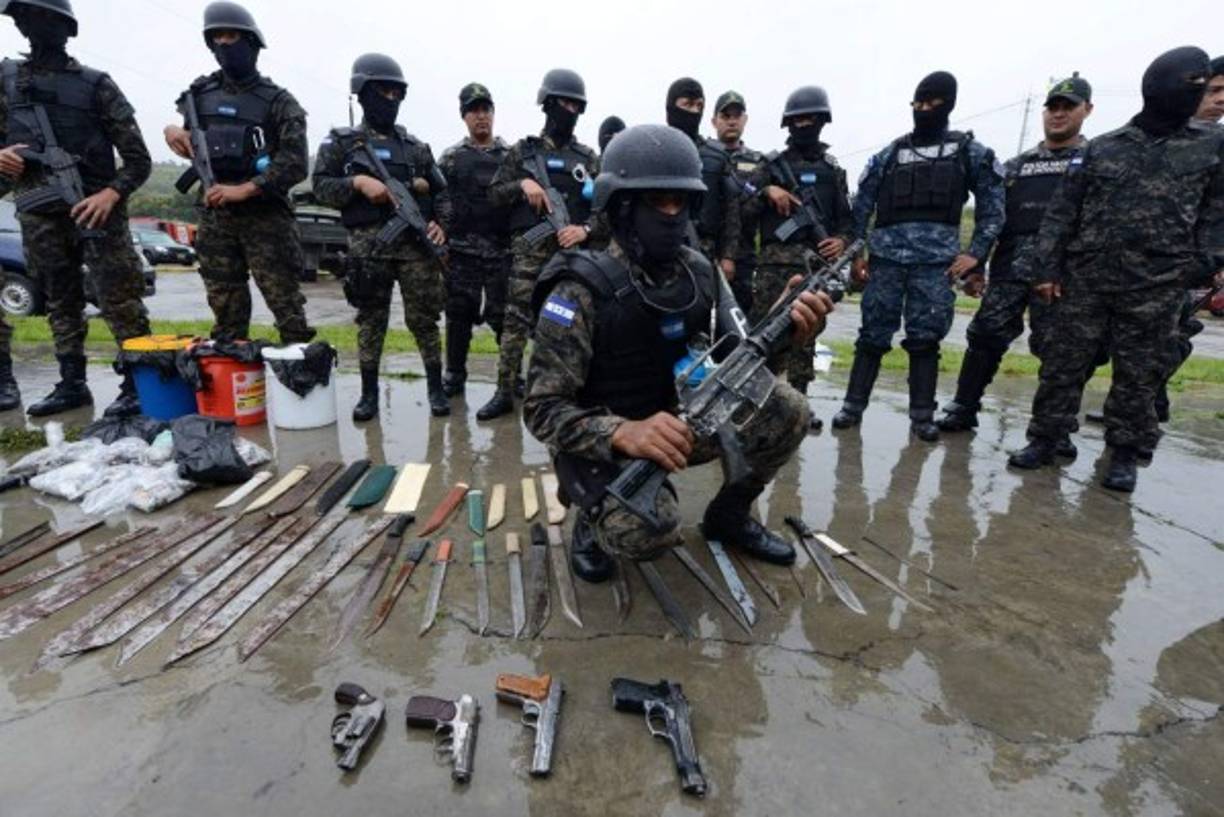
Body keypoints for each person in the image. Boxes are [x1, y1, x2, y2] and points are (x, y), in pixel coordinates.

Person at [523, 124, 833, 581]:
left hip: (679, 422)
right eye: (658, 201)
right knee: (648, 530)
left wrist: (787, 331)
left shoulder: (699, 272)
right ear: (623, 206)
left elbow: (742, 368)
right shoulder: (579, 289)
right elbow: (542, 409)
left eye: (681, 202)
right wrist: (622, 433)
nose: (672, 215)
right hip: (597, 440)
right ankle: (590, 519)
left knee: (788, 410)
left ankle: (728, 515)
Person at [1009, 47, 1224, 493]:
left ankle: (1124, 453)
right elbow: (1061, 214)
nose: (1200, 93)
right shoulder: (1103, 148)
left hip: (1159, 283)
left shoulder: (1211, 149)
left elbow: (1217, 216)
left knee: (1140, 373)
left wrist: (1198, 265)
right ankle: (1046, 439)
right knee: (1062, 365)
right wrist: (1046, 270)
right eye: (1191, 84)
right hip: (1088, 278)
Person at [832, 71, 1005, 441]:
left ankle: (922, 416)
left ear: (948, 106)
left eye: (933, 104)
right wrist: (856, 252)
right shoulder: (890, 154)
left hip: (934, 265)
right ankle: (852, 407)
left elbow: (993, 208)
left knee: (925, 339)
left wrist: (975, 255)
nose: (924, 110)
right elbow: (860, 207)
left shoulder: (968, 153)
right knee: (872, 336)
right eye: (918, 104)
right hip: (886, 263)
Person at [0, 0, 153, 418]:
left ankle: (138, 384)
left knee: (120, 299)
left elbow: (139, 160)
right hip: (38, 214)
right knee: (59, 299)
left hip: (97, 211)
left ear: (64, 27)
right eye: (24, 18)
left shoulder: (96, 85)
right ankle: (72, 384)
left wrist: (110, 194)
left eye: (42, 17)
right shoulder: (6, 80)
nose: (32, 25)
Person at [937, 74, 1094, 455]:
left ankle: (1054, 430)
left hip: (1062, 275)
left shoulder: (1094, 160)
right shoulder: (1016, 167)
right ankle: (964, 407)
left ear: (1086, 111)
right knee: (984, 337)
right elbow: (993, 219)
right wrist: (977, 267)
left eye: (1067, 108)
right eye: (1052, 108)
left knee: (1061, 352)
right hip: (1009, 270)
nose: (1058, 115)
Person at [164, 1, 315, 348]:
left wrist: (247, 189)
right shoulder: (199, 95)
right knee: (226, 313)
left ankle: (300, 387)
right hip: (216, 217)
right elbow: (189, 137)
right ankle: (236, 390)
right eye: (216, 38)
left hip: (266, 220)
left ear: (251, 42)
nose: (223, 45)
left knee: (288, 310)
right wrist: (173, 130)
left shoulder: (279, 101)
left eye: (231, 37)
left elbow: (294, 164)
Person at [311, 53, 451, 419]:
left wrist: (440, 223)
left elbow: (442, 193)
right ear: (363, 93)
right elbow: (321, 187)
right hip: (368, 248)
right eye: (382, 91)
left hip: (416, 249)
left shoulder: (416, 148)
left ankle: (436, 389)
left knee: (424, 320)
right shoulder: (343, 144)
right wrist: (357, 182)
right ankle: (369, 394)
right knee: (371, 320)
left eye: (395, 93)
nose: (390, 99)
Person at [477, 68, 600, 421]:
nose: (570, 111)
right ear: (547, 105)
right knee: (515, 321)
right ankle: (504, 390)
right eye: (564, 102)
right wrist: (521, 186)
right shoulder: (523, 153)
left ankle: (566, 392)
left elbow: (606, 211)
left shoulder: (588, 158)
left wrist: (585, 230)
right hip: (529, 256)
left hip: (570, 257)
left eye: (577, 105)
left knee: (569, 323)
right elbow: (493, 196)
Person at [745, 86, 852, 430]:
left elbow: (847, 220)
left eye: (810, 118)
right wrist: (765, 191)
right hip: (773, 265)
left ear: (822, 121)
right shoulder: (771, 166)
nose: (804, 125)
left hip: (815, 266)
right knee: (764, 333)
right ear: (788, 124)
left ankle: (798, 403)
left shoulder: (832, 171)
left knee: (805, 335)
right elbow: (742, 204)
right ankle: (757, 404)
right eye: (797, 120)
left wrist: (841, 241)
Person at [437, 83, 510, 399]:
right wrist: (440, 240)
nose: (481, 116)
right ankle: (454, 374)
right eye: (474, 111)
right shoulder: (451, 158)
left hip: (500, 252)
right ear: (464, 117)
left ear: (493, 114)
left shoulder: (511, 157)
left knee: (504, 317)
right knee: (458, 315)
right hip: (462, 253)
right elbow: (438, 200)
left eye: (486, 110)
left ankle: (510, 377)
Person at [665, 78, 740, 280]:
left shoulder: (715, 155)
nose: (694, 111)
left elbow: (732, 211)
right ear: (672, 106)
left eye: (699, 105)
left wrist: (728, 257)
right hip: (662, 246)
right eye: (687, 104)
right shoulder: (656, 148)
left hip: (706, 251)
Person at [712, 90, 766, 315]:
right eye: (725, 116)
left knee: (738, 318)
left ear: (744, 120)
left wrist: (768, 190)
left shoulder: (760, 163)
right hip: (706, 250)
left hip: (743, 257)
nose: (731, 121)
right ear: (714, 121)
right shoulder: (704, 157)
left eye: (737, 116)